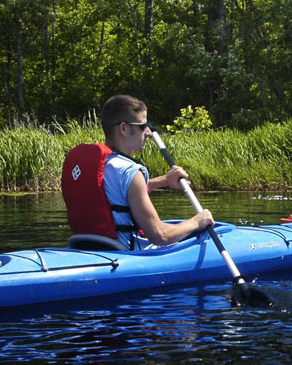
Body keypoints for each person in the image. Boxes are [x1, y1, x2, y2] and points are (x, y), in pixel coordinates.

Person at [62, 95, 213, 249]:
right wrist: (197, 221)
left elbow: (119, 193)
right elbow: (160, 235)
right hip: (124, 255)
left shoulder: (104, 166)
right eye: (142, 126)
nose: (148, 132)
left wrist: (164, 180)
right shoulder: (130, 171)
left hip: (84, 247)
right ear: (124, 128)